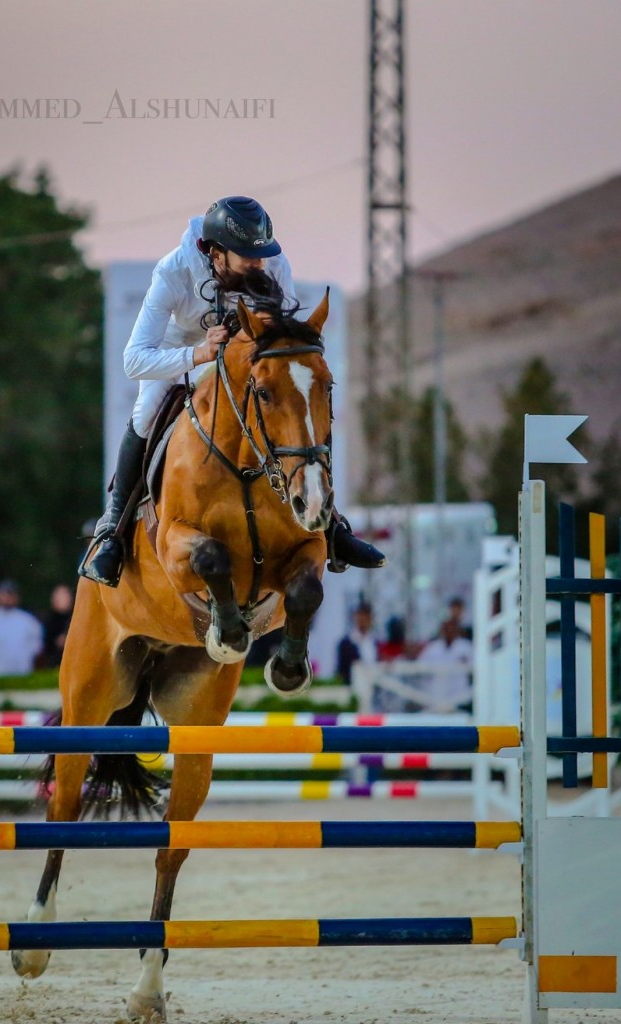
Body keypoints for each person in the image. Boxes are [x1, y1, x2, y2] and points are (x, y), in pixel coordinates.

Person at [79, 195, 386, 588]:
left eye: (262, 254)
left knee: (289, 406)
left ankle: (330, 527)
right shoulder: (173, 271)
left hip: (241, 356)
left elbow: (277, 339)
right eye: (248, 256)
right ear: (216, 254)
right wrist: (198, 353)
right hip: (180, 351)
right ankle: (113, 530)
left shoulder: (273, 265)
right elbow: (134, 360)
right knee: (146, 412)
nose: (259, 263)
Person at [0, 580, 43, 677]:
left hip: (22, 675)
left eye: (10, 594)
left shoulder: (29, 621)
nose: (7, 598)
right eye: (3, 594)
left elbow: (37, 649)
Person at [415, 618, 474, 712]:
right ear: (442, 630)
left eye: (451, 629)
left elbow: (477, 667)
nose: (449, 631)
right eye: (446, 629)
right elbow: (419, 668)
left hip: (460, 697)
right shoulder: (433, 648)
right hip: (435, 697)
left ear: (456, 630)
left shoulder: (466, 647)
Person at [335, 601, 378, 687]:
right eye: (360, 616)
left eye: (366, 617)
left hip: (373, 685)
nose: (363, 620)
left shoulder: (374, 641)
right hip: (353, 686)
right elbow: (341, 670)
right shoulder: (346, 643)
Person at [38, 583, 74, 668]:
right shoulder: (47, 620)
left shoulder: (76, 618)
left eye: (64, 596)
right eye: (58, 596)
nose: (61, 599)